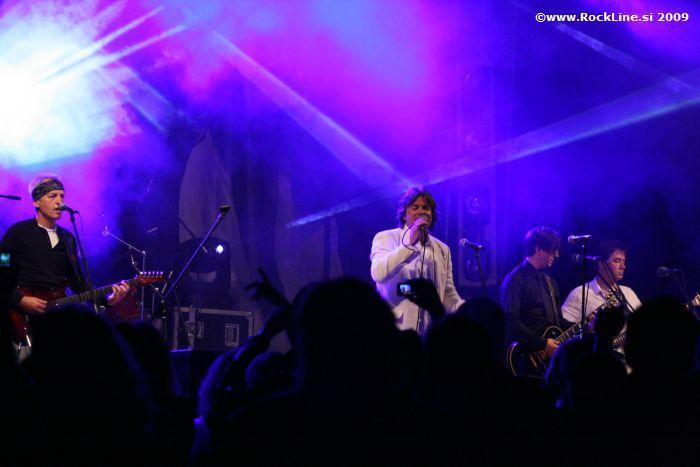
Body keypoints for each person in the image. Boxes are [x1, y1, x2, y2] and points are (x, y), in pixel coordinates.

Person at [0, 174, 129, 353]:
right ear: (36, 202)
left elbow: (78, 282)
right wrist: (20, 300)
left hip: (54, 320)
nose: (59, 201)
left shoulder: (68, 239)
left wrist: (107, 300)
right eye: (52, 196)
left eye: (62, 196)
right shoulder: (16, 233)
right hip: (20, 319)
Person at [370, 187, 464, 333]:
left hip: (429, 333)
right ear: (404, 214)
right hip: (395, 329)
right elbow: (378, 273)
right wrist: (408, 245)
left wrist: (464, 309)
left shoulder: (442, 249)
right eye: (415, 207)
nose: (421, 211)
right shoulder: (386, 238)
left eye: (426, 208)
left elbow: (446, 292)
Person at [501, 226, 571, 358]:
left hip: (547, 360)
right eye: (552, 250)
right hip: (524, 357)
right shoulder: (515, 280)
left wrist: (585, 324)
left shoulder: (550, 282)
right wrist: (542, 343)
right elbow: (510, 321)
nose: (556, 255)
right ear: (538, 250)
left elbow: (558, 322)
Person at [561, 239, 641, 325]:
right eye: (617, 261)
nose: (623, 266)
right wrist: (587, 329)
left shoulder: (628, 293)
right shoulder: (579, 294)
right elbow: (564, 329)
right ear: (601, 264)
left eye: (623, 261)